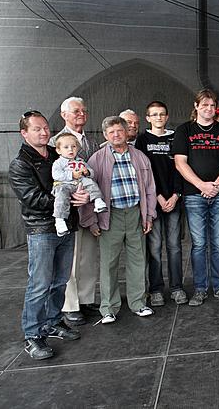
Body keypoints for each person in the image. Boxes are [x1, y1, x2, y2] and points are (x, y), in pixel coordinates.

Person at [9, 111, 86, 360]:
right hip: (41, 229)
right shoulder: (21, 164)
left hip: (66, 226)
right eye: (37, 129)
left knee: (61, 280)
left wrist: (82, 194)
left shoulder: (57, 155)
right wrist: (66, 198)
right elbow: (32, 199)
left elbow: (75, 182)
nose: (44, 132)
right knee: (39, 284)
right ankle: (32, 335)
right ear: (24, 133)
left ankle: (53, 322)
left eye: (45, 128)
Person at [81, 116, 157, 323]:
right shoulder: (96, 159)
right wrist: (92, 221)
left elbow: (150, 189)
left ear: (126, 132)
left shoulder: (140, 157)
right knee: (109, 263)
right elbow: (87, 192)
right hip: (110, 216)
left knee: (137, 261)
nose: (116, 135)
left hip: (134, 214)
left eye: (119, 131)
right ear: (105, 135)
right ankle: (108, 307)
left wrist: (148, 214)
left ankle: (138, 303)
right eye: (111, 132)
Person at [172, 89, 219, 306]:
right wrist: (201, 185)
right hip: (194, 195)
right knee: (199, 244)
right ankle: (200, 289)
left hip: (218, 195)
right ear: (196, 105)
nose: (209, 109)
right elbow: (180, 162)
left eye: (212, 106)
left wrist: (216, 185)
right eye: (205, 105)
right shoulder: (185, 130)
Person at [49, 96, 100, 326]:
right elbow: (52, 177)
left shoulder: (89, 142)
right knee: (70, 259)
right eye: (76, 111)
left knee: (88, 256)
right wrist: (71, 194)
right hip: (68, 207)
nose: (81, 114)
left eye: (84, 110)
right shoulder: (53, 143)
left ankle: (86, 299)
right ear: (64, 115)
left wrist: (89, 195)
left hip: (88, 207)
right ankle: (70, 305)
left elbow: (93, 172)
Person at [135, 101, 186, 306]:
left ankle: (177, 287)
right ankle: (156, 289)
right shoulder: (142, 140)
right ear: (147, 118)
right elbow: (142, 173)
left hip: (173, 199)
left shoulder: (176, 137)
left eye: (162, 114)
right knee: (154, 247)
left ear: (167, 117)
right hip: (152, 201)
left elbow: (181, 168)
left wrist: (175, 195)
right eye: (154, 114)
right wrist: (157, 197)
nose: (158, 117)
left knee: (174, 246)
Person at [51, 133, 106, 236]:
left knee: (91, 183)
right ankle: (60, 220)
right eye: (66, 147)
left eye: (74, 146)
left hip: (80, 183)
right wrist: (71, 174)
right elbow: (56, 175)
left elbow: (92, 172)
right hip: (65, 184)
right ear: (58, 150)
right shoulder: (59, 163)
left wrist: (87, 172)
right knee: (61, 197)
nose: (70, 150)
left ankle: (98, 200)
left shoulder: (80, 161)